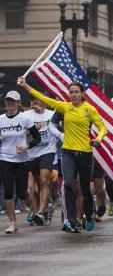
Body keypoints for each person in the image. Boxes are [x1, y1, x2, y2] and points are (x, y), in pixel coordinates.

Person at [17, 79, 107, 233]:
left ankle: (89, 216)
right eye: (71, 92)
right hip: (67, 152)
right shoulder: (65, 107)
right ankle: (70, 220)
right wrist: (25, 86)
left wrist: (98, 139)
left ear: (82, 93)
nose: (73, 95)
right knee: (68, 184)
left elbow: (103, 128)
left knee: (85, 188)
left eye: (76, 92)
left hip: (85, 153)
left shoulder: (89, 109)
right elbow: (44, 98)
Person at [0, 91, 41, 233]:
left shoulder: (25, 119)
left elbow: (37, 138)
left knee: (23, 193)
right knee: (8, 191)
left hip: (22, 160)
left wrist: (26, 146)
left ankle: (36, 212)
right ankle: (12, 223)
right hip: (5, 158)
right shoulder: (1, 119)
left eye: (12, 101)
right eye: (7, 101)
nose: (9, 104)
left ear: (18, 103)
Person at [23, 97, 63, 226]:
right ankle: (37, 211)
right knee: (30, 189)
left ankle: (40, 212)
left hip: (47, 152)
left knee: (44, 181)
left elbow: (61, 129)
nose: (36, 103)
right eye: (34, 100)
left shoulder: (52, 115)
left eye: (39, 100)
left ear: (45, 102)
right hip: (29, 154)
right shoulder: (26, 115)